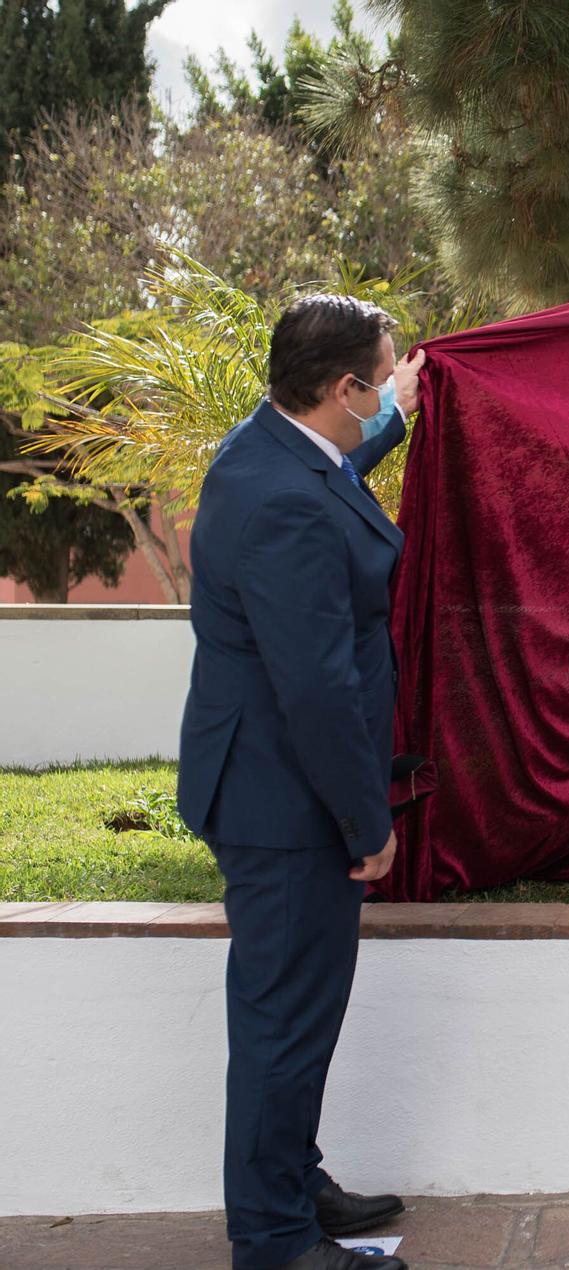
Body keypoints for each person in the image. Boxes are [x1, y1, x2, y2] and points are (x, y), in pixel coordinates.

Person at [177, 294, 424, 1270]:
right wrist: (369, 822)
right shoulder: (283, 502)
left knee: (295, 1017)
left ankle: (290, 1178)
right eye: (380, 378)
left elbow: (330, 473)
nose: (382, 391)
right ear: (337, 386)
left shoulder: (269, 450)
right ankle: (274, 1239)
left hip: (266, 782)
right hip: (287, 803)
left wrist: (396, 415)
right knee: (285, 1024)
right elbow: (315, 689)